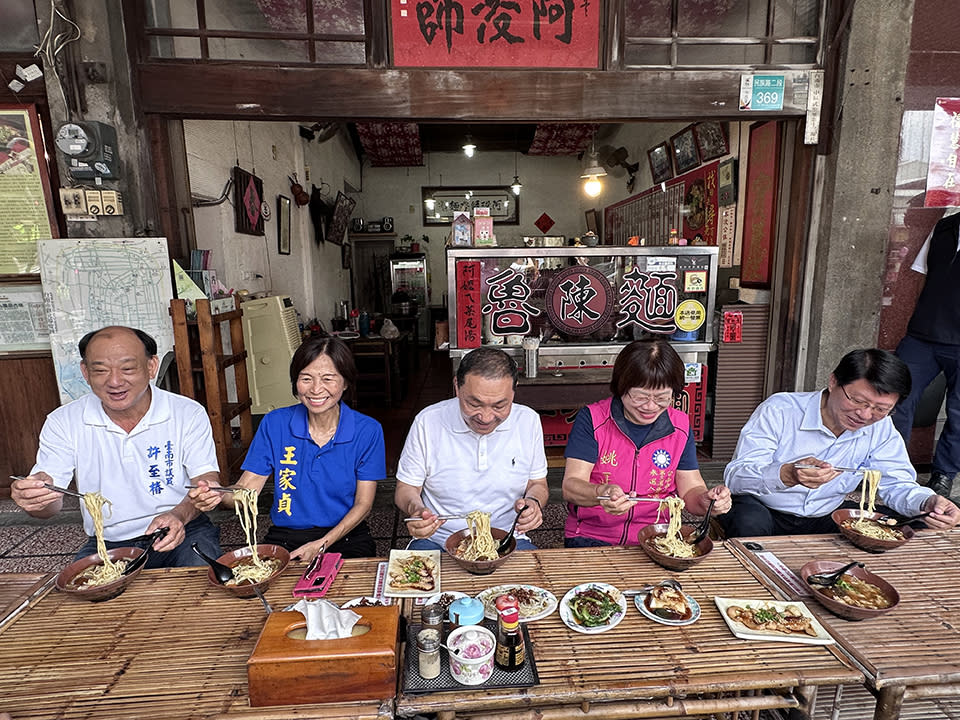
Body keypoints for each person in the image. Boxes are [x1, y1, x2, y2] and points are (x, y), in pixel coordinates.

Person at [11, 326, 222, 567]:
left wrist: (182, 512)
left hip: (183, 526)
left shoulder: (187, 412)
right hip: (109, 541)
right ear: (85, 372)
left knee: (202, 583)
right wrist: (37, 497)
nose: (114, 381)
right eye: (100, 370)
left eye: (128, 368)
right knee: (87, 595)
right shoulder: (63, 421)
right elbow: (50, 504)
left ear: (151, 366)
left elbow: (205, 477)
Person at [721, 348, 960, 537]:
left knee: (911, 524)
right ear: (834, 381)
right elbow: (736, 477)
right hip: (765, 507)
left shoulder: (880, 426)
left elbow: (897, 483)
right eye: (857, 401)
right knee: (749, 522)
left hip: (827, 513)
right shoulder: (781, 409)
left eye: (880, 409)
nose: (865, 415)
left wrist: (928, 502)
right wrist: (787, 474)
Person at [189, 336, 384, 561]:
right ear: (295, 382)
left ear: (346, 382)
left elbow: (364, 504)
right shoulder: (276, 424)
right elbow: (246, 490)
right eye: (306, 379)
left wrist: (321, 544)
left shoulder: (367, 430)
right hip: (287, 535)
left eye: (328, 379)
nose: (316, 389)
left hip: (346, 534)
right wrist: (217, 493)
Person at [562, 340, 731, 547]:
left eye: (662, 398)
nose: (650, 407)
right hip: (593, 534)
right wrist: (602, 493)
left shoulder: (680, 425)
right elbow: (571, 486)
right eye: (640, 397)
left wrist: (707, 501)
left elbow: (690, 490)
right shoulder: (593, 419)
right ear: (621, 387)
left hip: (658, 537)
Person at [396, 346, 548, 552]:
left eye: (499, 406)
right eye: (474, 404)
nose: (485, 417)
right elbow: (406, 488)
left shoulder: (528, 421)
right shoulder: (428, 421)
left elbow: (537, 483)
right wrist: (417, 510)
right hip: (437, 538)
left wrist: (533, 502)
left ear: (514, 391)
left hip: (507, 538)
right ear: (457, 387)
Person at [892, 211, 960, 498]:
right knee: (893, 396)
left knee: (959, 413)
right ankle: (888, 468)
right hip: (924, 335)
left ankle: (943, 474)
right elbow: (923, 277)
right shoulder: (944, 227)